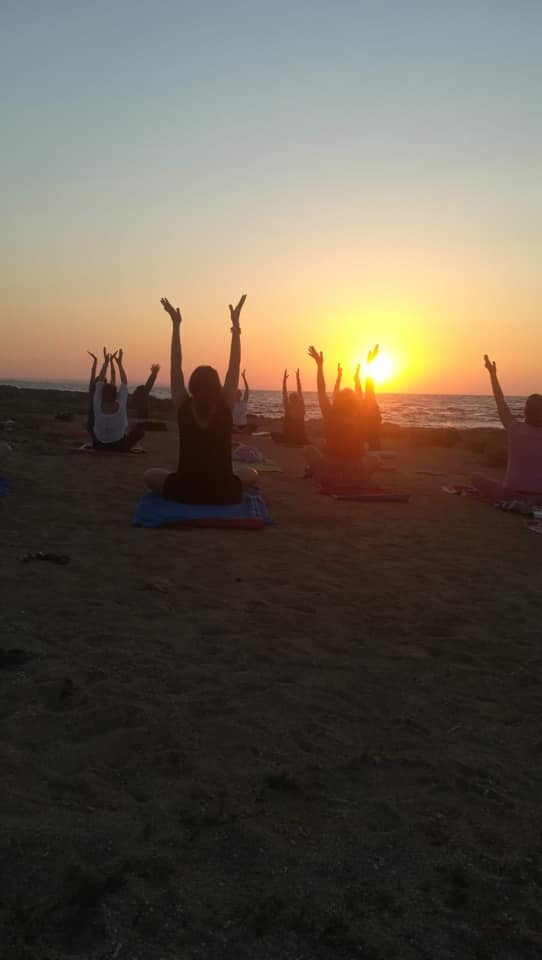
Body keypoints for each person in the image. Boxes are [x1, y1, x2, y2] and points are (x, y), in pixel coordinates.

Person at [144, 296, 257, 503]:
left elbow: (175, 364)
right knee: (251, 473)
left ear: (192, 386)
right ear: (217, 387)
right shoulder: (225, 405)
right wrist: (235, 327)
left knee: (150, 475)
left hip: (185, 490)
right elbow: (234, 365)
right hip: (223, 492)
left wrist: (176, 325)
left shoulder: (183, 405)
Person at [304, 345, 382, 486]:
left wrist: (320, 366)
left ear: (337, 401)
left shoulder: (331, 416)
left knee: (308, 450)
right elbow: (370, 392)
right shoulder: (361, 417)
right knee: (375, 458)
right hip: (358, 476)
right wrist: (370, 365)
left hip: (330, 475)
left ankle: (316, 473)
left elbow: (321, 392)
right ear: (355, 403)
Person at [471, 355, 542, 502]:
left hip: (511, 494)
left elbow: (500, 402)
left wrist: (493, 374)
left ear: (525, 411)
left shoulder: (514, 428)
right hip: (540, 497)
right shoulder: (514, 428)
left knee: (475, 477)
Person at [92, 350, 145, 451]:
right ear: (116, 394)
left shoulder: (97, 403)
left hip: (99, 444)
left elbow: (99, 382)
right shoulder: (120, 404)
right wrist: (119, 364)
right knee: (140, 432)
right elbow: (124, 382)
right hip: (118, 445)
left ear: (102, 394)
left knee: (92, 426)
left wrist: (106, 363)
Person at [271, 368, 307, 445]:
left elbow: (285, 393)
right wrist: (297, 379)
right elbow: (299, 392)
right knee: (274, 435)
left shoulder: (291, 408)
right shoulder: (299, 408)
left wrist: (284, 380)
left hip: (291, 437)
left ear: (290, 400)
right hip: (298, 438)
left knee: (273, 435)